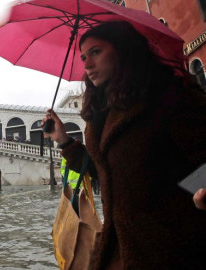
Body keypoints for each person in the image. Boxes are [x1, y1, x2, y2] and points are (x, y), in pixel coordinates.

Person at [42, 21, 206, 269]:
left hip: (171, 248)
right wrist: (63, 140)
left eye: (96, 52)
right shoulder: (99, 114)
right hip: (119, 248)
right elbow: (105, 173)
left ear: (122, 50)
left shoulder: (166, 96)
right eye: (84, 56)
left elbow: (198, 158)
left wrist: (201, 190)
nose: (86, 64)